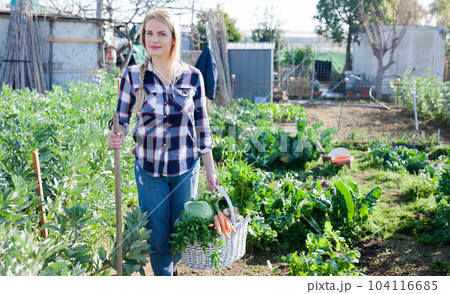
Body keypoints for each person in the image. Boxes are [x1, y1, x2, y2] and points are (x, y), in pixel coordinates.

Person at [107, 8, 221, 276]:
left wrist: (210, 170)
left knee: (180, 232)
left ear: (173, 38)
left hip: (185, 168)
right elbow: (120, 120)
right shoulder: (133, 76)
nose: (154, 39)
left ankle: (173, 270)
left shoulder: (193, 77)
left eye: (161, 33)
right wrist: (117, 133)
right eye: (149, 33)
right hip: (150, 169)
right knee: (158, 237)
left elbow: (202, 126)